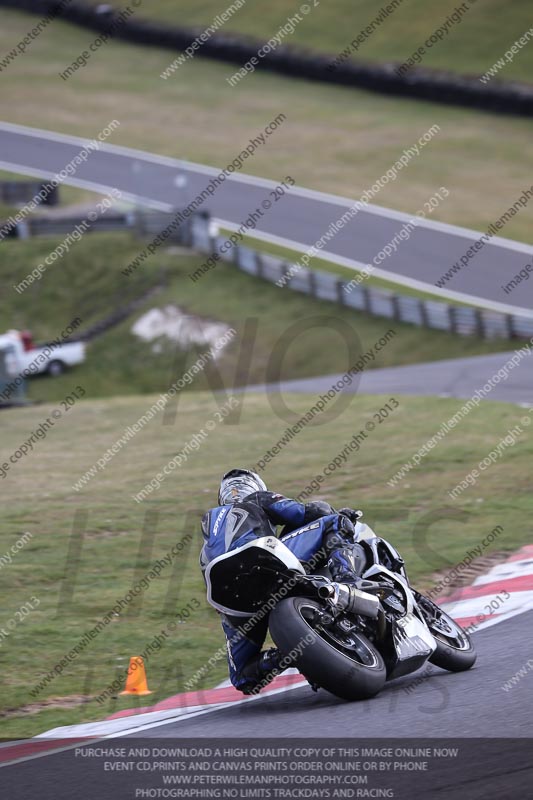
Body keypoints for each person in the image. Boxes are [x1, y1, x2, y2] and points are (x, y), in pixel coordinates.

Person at [200, 468, 366, 695]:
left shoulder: (209, 528)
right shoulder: (257, 498)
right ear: (255, 486)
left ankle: (286, 654)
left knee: (242, 678)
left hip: (231, 598)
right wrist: (340, 513)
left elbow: (208, 575)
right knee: (335, 523)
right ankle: (348, 580)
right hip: (264, 560)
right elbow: (307, 512)